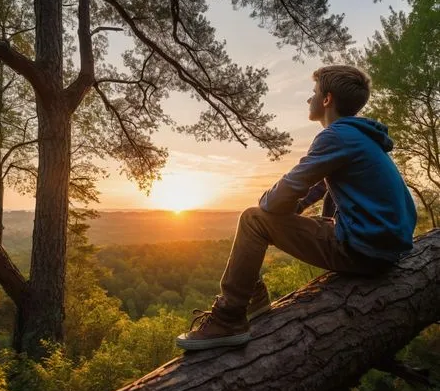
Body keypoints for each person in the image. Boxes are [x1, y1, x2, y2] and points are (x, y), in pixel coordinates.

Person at [176, 65, 417, 351]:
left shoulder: (336, 136)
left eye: (313, 93)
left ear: (327, 99)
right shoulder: (359, 136)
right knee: (269, 217)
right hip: (385, 247)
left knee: (254, 219)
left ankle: (229, 317)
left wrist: (273, 207)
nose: (309, 99)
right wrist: (298, 206)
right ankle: (253, 298)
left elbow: (277, 200)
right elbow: (322, 183)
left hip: (365, 252)